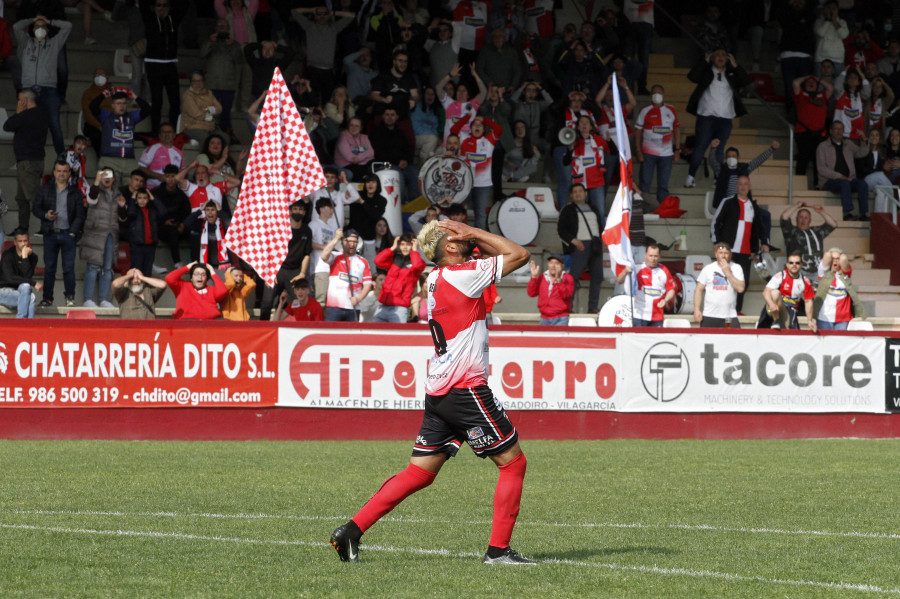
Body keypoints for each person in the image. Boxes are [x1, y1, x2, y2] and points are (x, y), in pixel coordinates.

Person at [329, 217, 532, 565]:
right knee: (513, 464)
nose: (465, 234)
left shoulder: (436, 277)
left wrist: (467, 238)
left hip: (440, 391)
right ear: (451, 247)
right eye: (459, 234)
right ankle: (498, 552)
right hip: (465, 389)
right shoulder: (463, 274)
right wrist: (476, 234)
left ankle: (350, 531)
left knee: (419, 473)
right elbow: (520, 254)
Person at [684, 48, 751, 188]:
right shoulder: (706, 71)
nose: (720, 57)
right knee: (701, 146)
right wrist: (705, 61)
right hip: (706, 115)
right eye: (717, 55)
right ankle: (690, 177)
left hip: (725, 117)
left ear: (728, 58)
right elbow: (692, 76)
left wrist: (735, 65)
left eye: (723, 55)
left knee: (720, 149)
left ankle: (717, 179)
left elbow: (745, 81)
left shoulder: (731, 73)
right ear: (712, 57)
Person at [13, 14, 71, 156]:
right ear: (32, 29)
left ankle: (61, 157)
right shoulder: (26, 42)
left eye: (43, 26)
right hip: (28, 90)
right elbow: (16, 27)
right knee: (26, 125)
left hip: (49, 90)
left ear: (48, 29)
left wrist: (50, 21)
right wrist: (32, 20)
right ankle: (23, 157)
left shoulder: (54, 43)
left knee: (54, 125)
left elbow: (68, 26)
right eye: (37, 26)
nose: (40, 28)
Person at [711, 175, 770, 313]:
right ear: (737, 187)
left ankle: (736, 311)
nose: (743, 187)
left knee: (744, 282)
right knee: (723, 280)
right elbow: (716, 222)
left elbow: (760, 227)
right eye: (740, 184)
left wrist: (764, 242)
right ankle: (722, 310)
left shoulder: (753, 206)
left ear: (749, 187)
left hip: (746, 251)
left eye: (746, 184)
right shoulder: (727, 202)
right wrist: (717, 242)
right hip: (728, 251)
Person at [34, 160, 86, 308]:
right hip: (50, 233)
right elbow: (35, 208)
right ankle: (47, 299)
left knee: (68, 268)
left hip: (67, 234)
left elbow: (80, 215)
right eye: (59, 170)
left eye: (65, 171)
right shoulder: (45, 189)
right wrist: (46, 215)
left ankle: (70, 297)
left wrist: (72, 232)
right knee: (49, 268)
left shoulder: (75, 192)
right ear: (54, 172)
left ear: (69, 173)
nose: (62, 173)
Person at [140, 0, 188, 132]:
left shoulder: (173, 20)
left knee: (175, 102)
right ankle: (155, 132)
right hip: (153, 64)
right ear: (154, 7)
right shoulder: (149, 18)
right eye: (158, 5)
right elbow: (143, 4)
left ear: (169, 7)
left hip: (171, 64)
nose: (161, 8)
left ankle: (173, 130)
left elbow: (184, 5)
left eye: (165, 5)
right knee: (157, 101)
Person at [260, 200, 312, 321]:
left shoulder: (307, 231)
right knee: (266, 303)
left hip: (295, 272)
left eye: (300, 209)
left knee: (298, 303)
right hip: (277, 269)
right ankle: (262, 330)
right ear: (289, 211)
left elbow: (307, 254)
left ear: (304, 212)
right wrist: (270, 272)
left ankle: (298, 331)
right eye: (295, 209)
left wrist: (302, 273)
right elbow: (269, 250)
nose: (297, 212)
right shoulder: (280, 228)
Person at [3, 89, 47, 232]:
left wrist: (18, 112)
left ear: (25, 101)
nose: (18, 103)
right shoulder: (41, 114)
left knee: (33, 197)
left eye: (19, 100)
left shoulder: (27, 115)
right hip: (34, 161)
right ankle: (23, 227)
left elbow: (7, 126)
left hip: (28, 163)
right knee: (21, 198)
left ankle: (46, 226)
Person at [82, 168, 126, 308]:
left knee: (107, 268)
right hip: (95, 233)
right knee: (93, 266)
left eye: (109, 175)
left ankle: (103, 299)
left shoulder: (118, 193)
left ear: (114, 178)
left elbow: (123, 218)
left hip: (111, 234)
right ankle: (88, 299)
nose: (107, 178)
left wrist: (122, 207)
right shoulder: (95, 189)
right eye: (104, 175)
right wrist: (96, 180)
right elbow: (91, 199)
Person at [556, 183, 604, 313]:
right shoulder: (567, 209)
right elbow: (561, 230)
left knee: (597, 277)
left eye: (580, 191)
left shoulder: (594, 208)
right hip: (580, 246)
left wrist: (602, 241)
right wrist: (573, 241)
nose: (578, 193)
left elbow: (600, 226)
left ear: (586, 193)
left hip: (595, 245)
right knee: (573, 277)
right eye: (575, 192)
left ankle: (593, 307)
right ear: (571, 195)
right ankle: (568, 308)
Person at [292, 6, 355, 103]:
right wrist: (311, 10)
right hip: (313, 69)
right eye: (319, 14)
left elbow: (352, 16)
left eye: (324, 14)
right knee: (311, 99)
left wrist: (332, 12)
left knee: (328, 100)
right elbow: (294, 11)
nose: (322, 16)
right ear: (315, 15)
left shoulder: (334, 28)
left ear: (328, 15)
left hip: (328, 71)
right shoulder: (309, 26)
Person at [452, 113, 502, 230]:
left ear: (484, 129)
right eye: (474, 125)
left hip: (483, 185)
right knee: (460, 212)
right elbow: (454, 130)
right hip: (466, 183)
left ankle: (480, 244)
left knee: (480, 214)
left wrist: (485, 119)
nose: (477, 127)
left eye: (480, 125)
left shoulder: (489, 140)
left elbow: (499, 129)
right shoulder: (464, 139)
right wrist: (467, 117)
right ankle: (460, 237)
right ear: (470, 128)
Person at [91, 90, 152, 185]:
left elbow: (147, 110)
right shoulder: (106, 116)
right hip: (109, 160)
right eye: (118, 103)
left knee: (130, 192)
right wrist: (103, 95)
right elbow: (93, 106)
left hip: (129, 161)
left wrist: (135, 97)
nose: (122, 106)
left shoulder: (132, 117)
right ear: (112, 105)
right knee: (110, 192)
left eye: (124, 103)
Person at [634, 85, 680, 209]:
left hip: (667, 154)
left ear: (663, 95)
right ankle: (644, 208)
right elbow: (638, 131)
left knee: (663, 185)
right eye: (654, 93)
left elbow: (676, 130)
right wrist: (638, 150)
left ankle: (663, 209)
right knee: (645, 184)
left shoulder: (671, 109)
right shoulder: (644, 110)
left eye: (659, 93)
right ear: (650, 95)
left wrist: (677, 149)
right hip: (648, 153)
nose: (657, 95)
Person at [816, 121, 870, 221]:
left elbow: (862, 153)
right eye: (836, 129)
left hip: (848, 179)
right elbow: (821, 169)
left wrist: (864, 139)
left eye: (841, 129)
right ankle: (846, 213)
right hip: (829, 181)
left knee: (862, 184)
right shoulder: (822, 146)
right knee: (844, 183)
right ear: (831, 131)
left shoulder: (848, 144)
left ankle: (863, 214)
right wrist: (839, 176)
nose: (839, 131)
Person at [201, 19, 244, 144]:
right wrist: (210, 42)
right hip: (212, 84)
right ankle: (210, 136)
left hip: (228, 85)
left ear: (229, 28)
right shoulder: (210, 41)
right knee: (210, 113)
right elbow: (202, 54)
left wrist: (231, 47)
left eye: (224, 26)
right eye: (219, 25)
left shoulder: (234, 44)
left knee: (225, 113)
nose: (221, 28)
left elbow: (239, 60)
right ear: (216, 28)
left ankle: (227, 136)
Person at [617, 243, 676, 327]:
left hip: (657, 316)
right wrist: (625, 271)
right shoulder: (637, 268)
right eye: (650, 255)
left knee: (656, 340)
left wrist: (666, 300)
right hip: (639, 315)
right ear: (645, 255)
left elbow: (671, 289)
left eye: (655, 256)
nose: (653, 259)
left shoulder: (664, 270)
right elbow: (620, 281)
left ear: (660, 256)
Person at [320, 228, 373, 322]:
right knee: (331, 336)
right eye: (348, 241)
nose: (352, 245)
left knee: (351, 336)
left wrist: (358, 299)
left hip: (353, 308)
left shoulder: (363, 261)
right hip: (334, 307)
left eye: (355, 242)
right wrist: (336, 238)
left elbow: (368, 285)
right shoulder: (335, 256)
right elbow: (324, 256)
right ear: (343, 241)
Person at [369, 107, 420, 203]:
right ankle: (400, 204)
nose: (389, 117)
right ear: (383, 116)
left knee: (415, 173)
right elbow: (378, 153)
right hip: (385, 164)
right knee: (397, 175)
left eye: (392, 115)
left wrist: (406, 160)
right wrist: (398, 162)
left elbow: (408, 149)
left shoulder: (400, 133)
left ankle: (415, 204)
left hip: (402, 164)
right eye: (387, 114)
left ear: (396, 117)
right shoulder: (377, 132)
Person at [564, 114, 610, 219]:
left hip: (596, 182)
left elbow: (613, 152)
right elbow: (565, 162)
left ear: (591, 126)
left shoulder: (598, 140)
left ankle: (600, 235)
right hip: (579, 184)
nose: (584, 125)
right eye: (581, 123)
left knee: (599, 212)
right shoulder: (573, 141)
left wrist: (610, 142)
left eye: (586, 123)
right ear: (578, 127)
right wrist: (570, 150)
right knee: (580, 213)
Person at [373, 233, 426, 322]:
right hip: (383, 305)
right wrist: (393, 247)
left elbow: (417, 266)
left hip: (400, 308)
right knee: (374, 335)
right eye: (402, 244)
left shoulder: (418, 262)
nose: (405, 247)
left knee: (397, 336)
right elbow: (378, 261)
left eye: (408, 245)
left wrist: (414, 250)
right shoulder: (395, 258)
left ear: (413, 245)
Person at [757, 251, 816, 331]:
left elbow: (808, 302)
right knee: (775, 293)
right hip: (772, 308)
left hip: (790, 311)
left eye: (797, 263)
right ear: (787, 265)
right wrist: (771, 304)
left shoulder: (805, 281)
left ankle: (780, 324)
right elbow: (766, 292)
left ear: (801, 265)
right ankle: (775, 321)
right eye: (791, 263)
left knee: (792, 334)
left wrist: (809, 321)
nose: (794, 265)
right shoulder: (780, 276)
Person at [780, 201, 838, 281]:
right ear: (796, 219)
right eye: (801, 217)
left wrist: (821, 212)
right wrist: (796, 206)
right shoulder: (791, 231)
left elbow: (833, 224)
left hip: (817, 272)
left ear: (809, 220)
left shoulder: (816, 231)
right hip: (798, 271)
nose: (803, 220)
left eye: (806, 217)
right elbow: (784, 217)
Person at [792, 75, 833, 185]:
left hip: (819, 134)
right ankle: (799, 185)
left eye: (813, 83)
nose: (811, 83)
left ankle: (817, 185)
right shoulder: (800, 94)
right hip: (803, 132)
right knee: (803, 159)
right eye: (808, 82)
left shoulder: (822, 95)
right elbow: (795, 82)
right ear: (804, 84)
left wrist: (818, 79)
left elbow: (830, 88)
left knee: (818, 161)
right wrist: (806, 77)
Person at [693, 241, 744, 328]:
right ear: (716, 254)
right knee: (708, 340)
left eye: (726, 253)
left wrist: (727, 272)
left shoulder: (736, 268)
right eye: (721, 253)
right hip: (710, 315)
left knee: (732, 340)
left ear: (730, 255)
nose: (723, 255)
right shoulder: (708, 269)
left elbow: (740, 289)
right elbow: (699, 289)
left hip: (729, 317)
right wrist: (696, 309)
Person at [814, 247, 867, 330]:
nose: (835, 261)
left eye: (838, 259)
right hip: (824, 318)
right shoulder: (823, 273)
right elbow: (827, 255)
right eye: (833, 259)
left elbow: (844, 258)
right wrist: (832, 255)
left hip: (843, 319)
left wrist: (840, 256)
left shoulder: (845, 275)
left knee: (840, 342)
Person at [153, 164, 191, 268]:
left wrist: (182, 224)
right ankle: (177, 262)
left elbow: (186, 213)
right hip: (161, 228)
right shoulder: (156, 192)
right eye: (168, 176)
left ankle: (196, 262)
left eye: (173, 176)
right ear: (164, 177)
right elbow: (151, 213)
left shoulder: (181, 195)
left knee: (195, 231)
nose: (170, 179)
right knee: (171, 231)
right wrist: (163, 222)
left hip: (178, 226)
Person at [121, 187, 164, 276]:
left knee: (148, 271)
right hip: (137, 246)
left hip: (150, 246)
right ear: (136, 199)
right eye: (139, 198)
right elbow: (130, 213)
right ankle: (135, 290)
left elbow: (163, 212)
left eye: (145, 198)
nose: (142, 200)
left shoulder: (152, 210)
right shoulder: (134, 209)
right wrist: (132, 199)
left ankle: (146, 290)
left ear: (148, 199)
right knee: (136, 271)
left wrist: (153, 198)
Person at [0, 228, 42, 318]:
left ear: (29, 241)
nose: (23, 244)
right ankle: (25, 325)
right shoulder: (8, 255)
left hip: (21, 292)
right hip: (3, 291)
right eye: (20, 241)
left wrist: (25, 257)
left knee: (26, 287)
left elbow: (26, 277)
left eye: (25, 241)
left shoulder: (33, 257)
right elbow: (9, 278)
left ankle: (21, 323)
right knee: (31, 297)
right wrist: (33, 283)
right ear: (15, 242)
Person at [527, 254, 574, 325]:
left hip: (561, 318)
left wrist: (558, 279)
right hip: (544, 317)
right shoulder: (542, 277)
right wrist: (533, 277)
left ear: (562, 266)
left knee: (559, 336)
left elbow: (566, 295)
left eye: (557, 263)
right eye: (551, 262)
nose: (553, 265)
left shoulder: (568, 278)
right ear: (548, 265)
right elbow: (531, 293)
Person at [184, 200, 231, 270]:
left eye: (213, 210)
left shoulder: (223, 223)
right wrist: (200, 210)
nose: (210, 212)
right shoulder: (201, 223)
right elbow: (187, 223)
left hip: (223, 264)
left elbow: (230, 223)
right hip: (206, 264)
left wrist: (220, 210)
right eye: (207, 210)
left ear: (217, 212)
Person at [180, 70, 222, 143]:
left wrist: (208, 109)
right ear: (191, 82)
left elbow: (219, 109)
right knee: (207, 139)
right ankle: (203, 155)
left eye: (200, 81)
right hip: (192, 127)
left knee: (224, 138)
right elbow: (196, 114)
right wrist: (211, 113)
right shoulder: (188, 95)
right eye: (195, 81)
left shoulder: (209, 93)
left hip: (210, 127)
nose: (198, 83)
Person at [139, 123, 183, 189]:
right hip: (154, 188)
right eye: (164, 132)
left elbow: (183, 171)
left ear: (174, 135)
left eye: (169, 132)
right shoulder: (152, 149)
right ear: (159, 135)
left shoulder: (179, 152)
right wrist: (159, 176)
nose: (167, 134)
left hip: (173, 190)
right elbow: (141, 168)